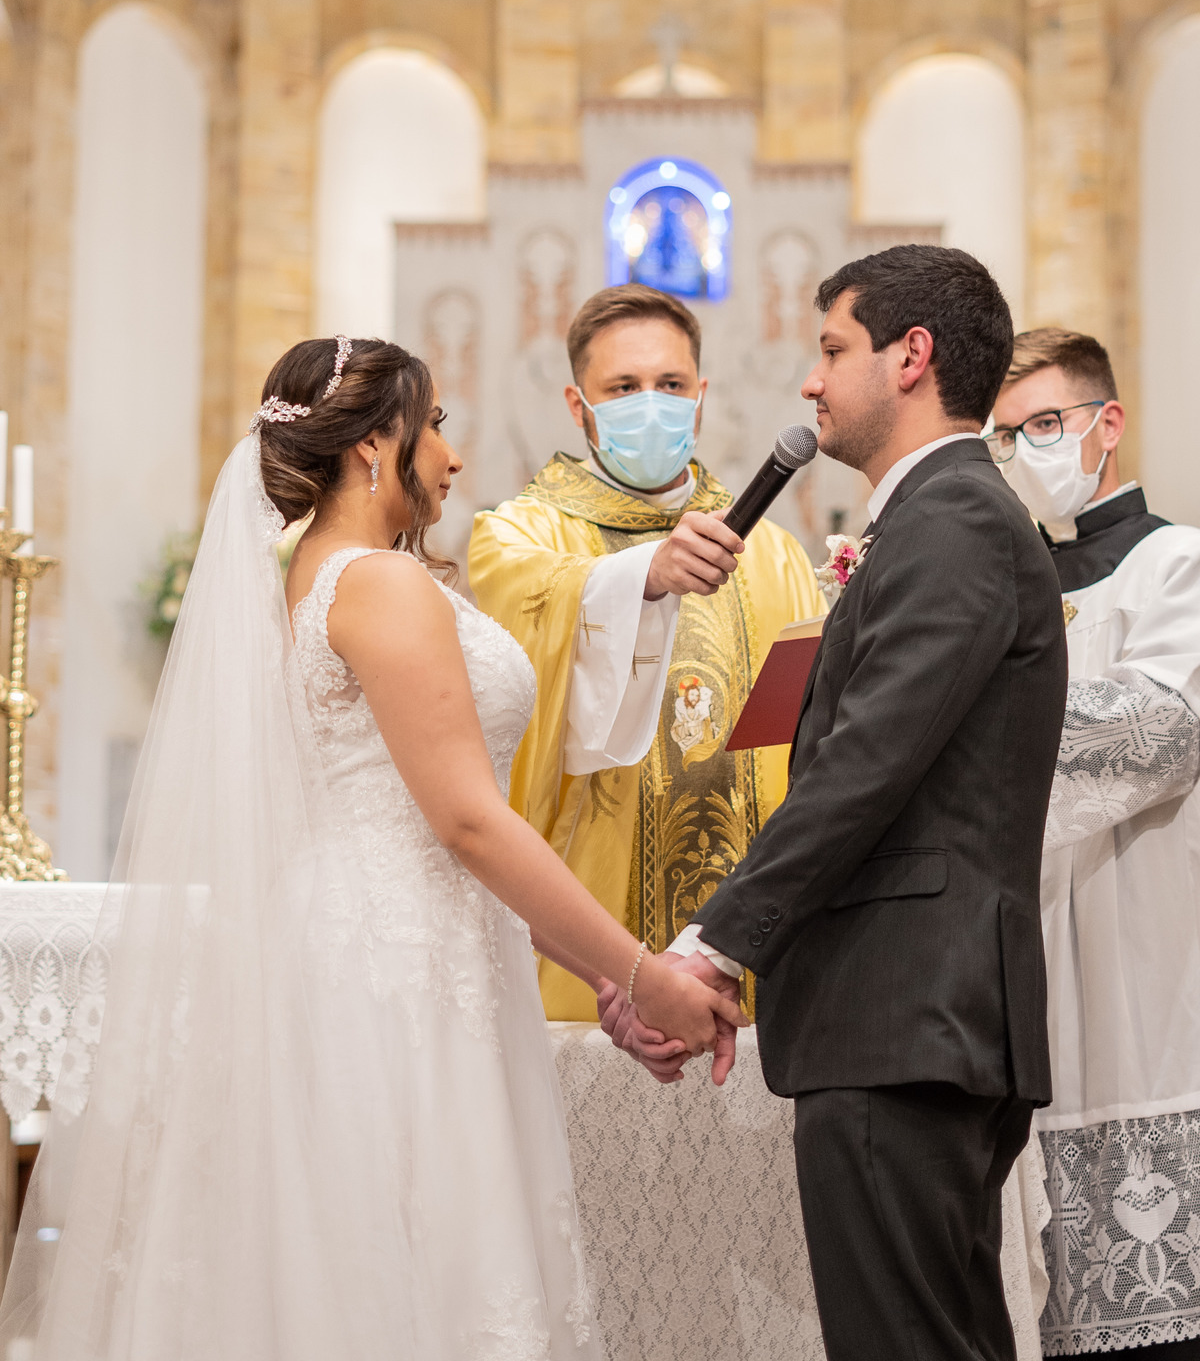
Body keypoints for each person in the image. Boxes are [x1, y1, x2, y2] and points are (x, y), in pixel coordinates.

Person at [0, 336, 739, 1359]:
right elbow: (468, 821)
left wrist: (597, 972)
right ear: (371, 446)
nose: (450, 454)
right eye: (433, 424)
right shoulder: (381, 587)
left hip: (392, 938)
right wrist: (636, 969)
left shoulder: (321, 577)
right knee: (408, 1250)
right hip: (392, 972)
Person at [605, 245, 1069, 1361]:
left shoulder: (953, 518)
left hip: (905, 1010)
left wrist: (710, 952)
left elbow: (865, 769)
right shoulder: (947, 516)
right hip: (918, 1014)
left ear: (911, 358)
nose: (810, 383)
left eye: (831, 349)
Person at [468, 284, 822, 1020]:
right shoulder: (516, 538)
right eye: (623, 388)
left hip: (747, 943)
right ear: (578, 405)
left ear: (700, 398)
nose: (651, 403)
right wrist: (640, 578)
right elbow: (522, 671)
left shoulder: (774, 554)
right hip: (591, 926)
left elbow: (803, 737)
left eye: (670, 385)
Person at [990, 329, 1200, 1361]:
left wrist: (970, 720)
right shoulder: (1005, 582)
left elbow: (1160, 729)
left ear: (1105, 426)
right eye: (1005, 437)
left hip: (1141, 943)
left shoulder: (1180, 563)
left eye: (1044, 426)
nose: (1025, 451)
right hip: (1020, 953)